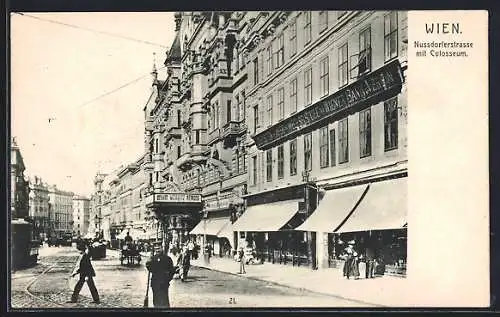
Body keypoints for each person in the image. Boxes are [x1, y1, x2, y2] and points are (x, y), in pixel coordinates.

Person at [146, 243, 175, 308]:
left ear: (162, 248)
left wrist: (167, 280)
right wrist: (148, 263)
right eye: (156, 249)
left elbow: (172, 271)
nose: (157, 250)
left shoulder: (167, 259)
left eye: (159, 248)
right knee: (156, 301)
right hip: (155, 283)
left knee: (164, 301)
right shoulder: (153, 258)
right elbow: (151, 269)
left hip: (163, 284)